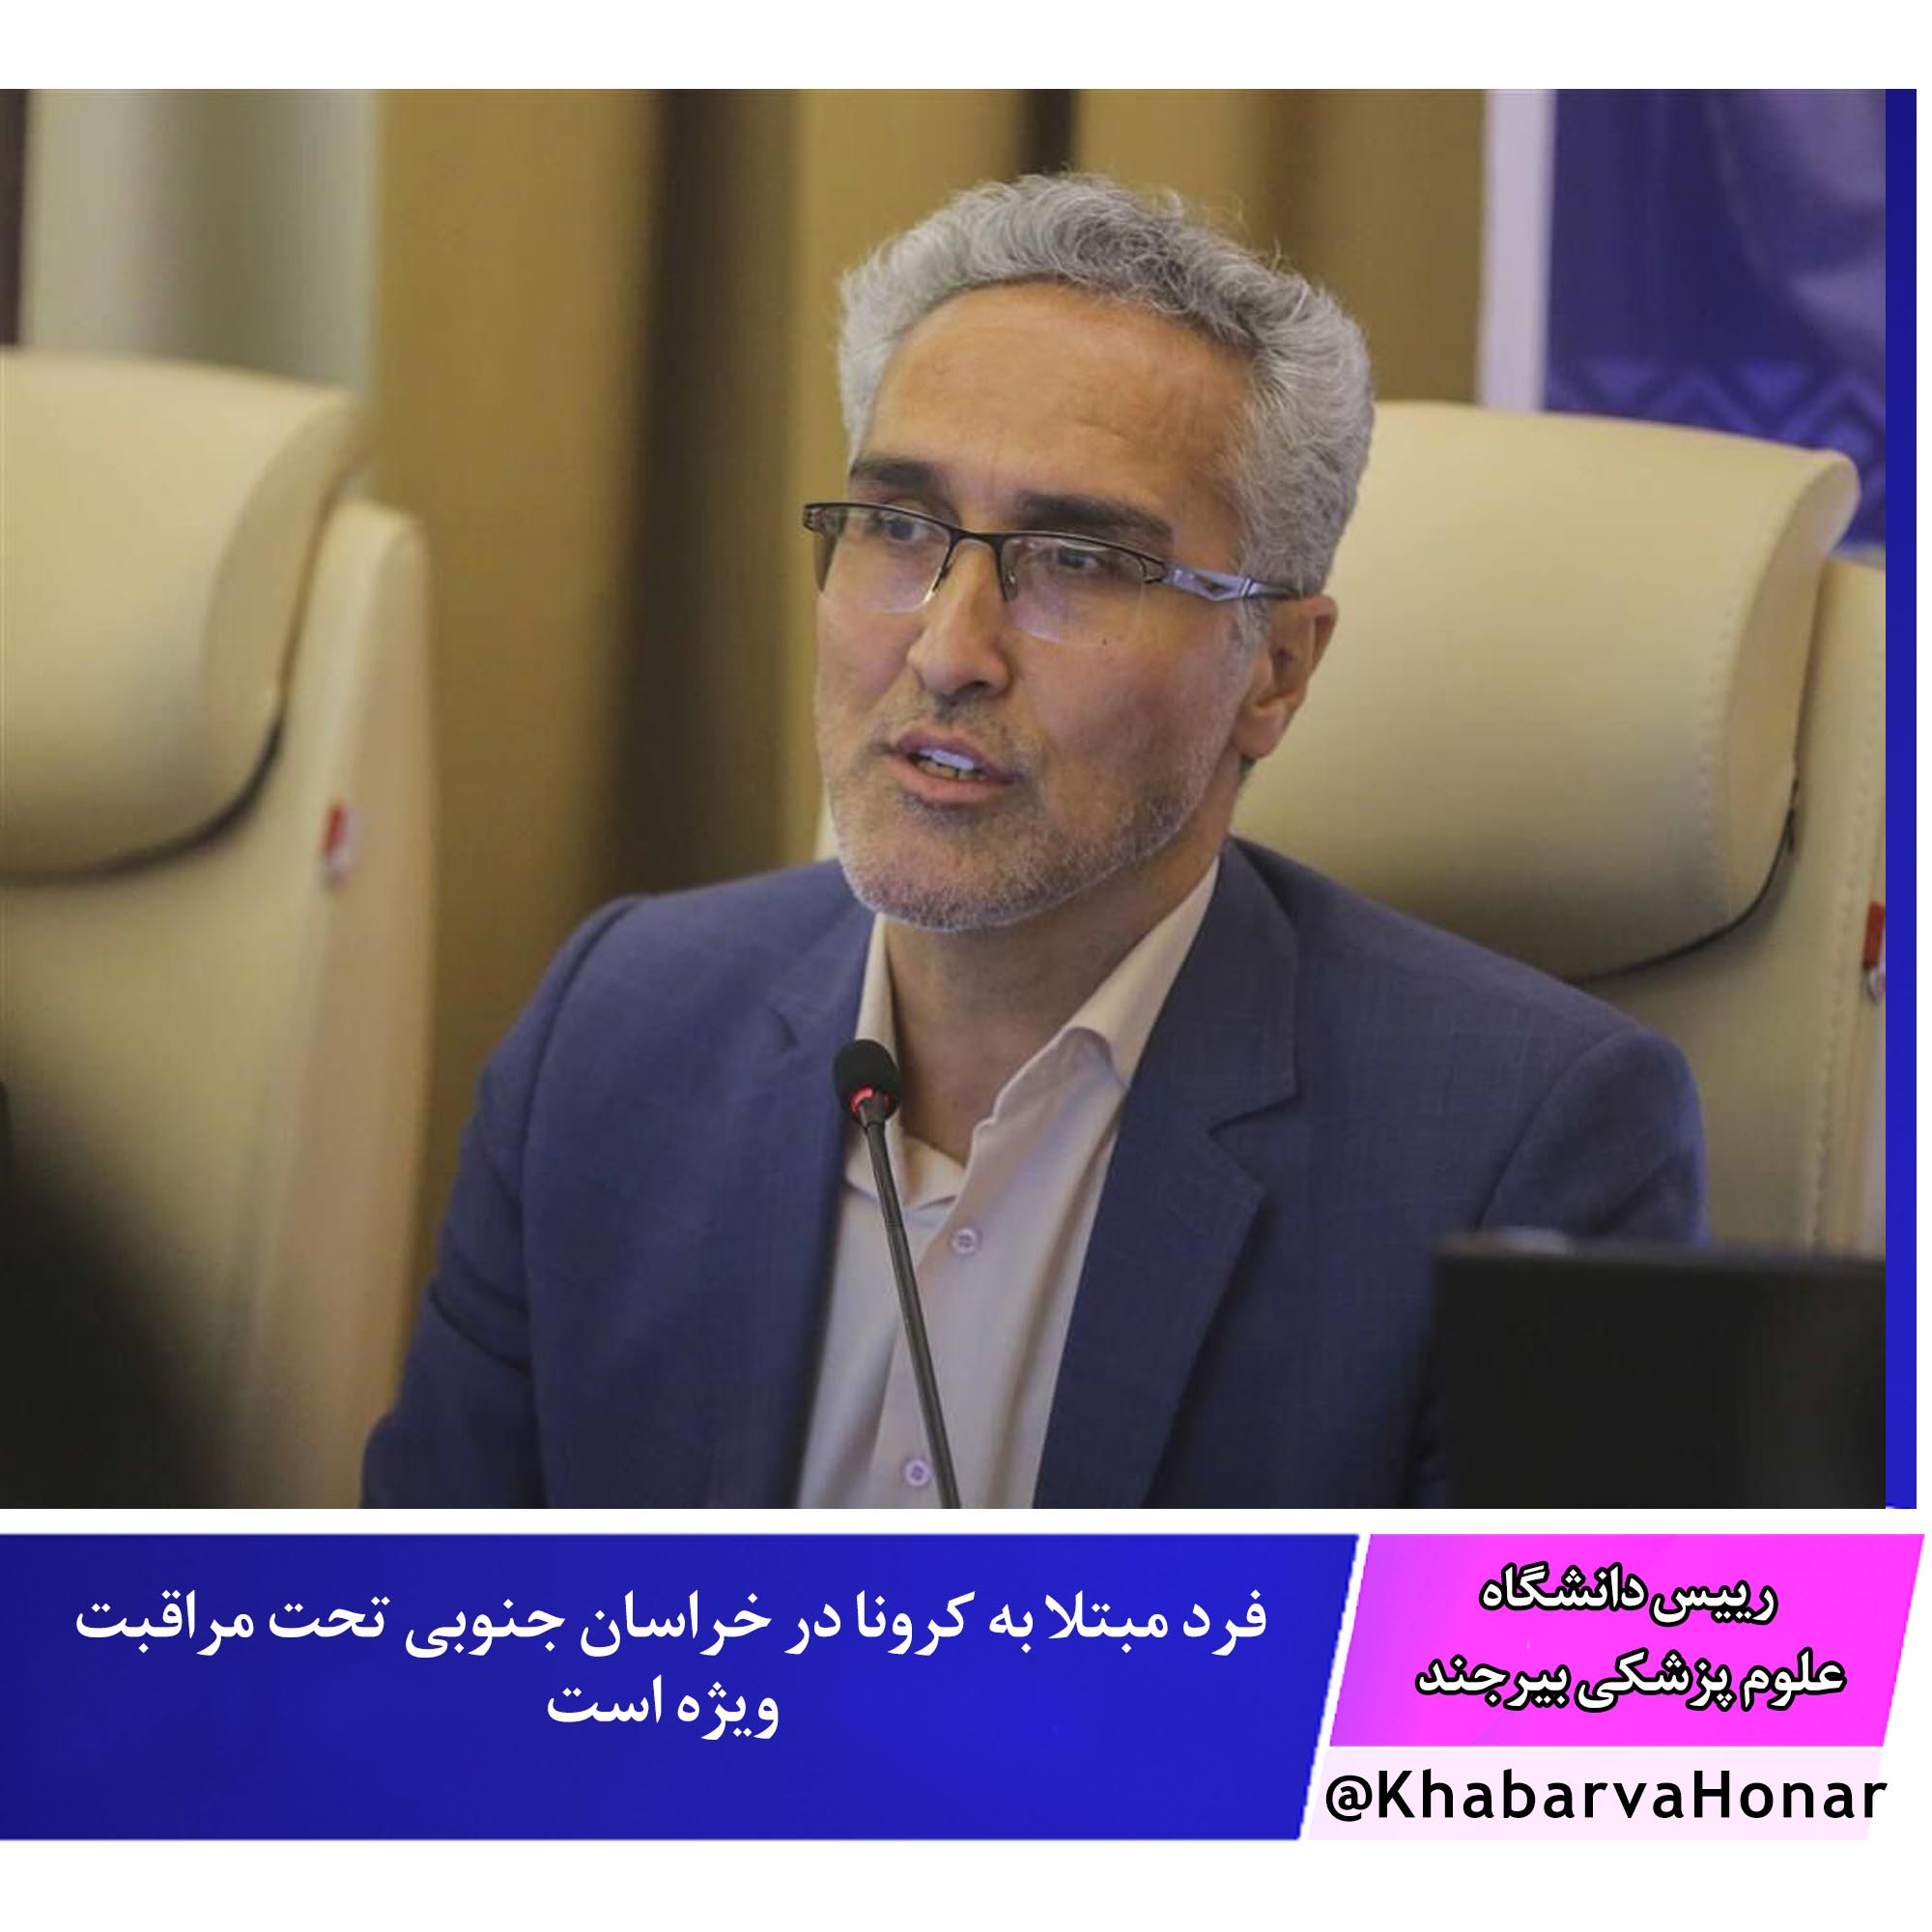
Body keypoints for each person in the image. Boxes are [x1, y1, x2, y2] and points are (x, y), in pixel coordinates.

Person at [364, 174, 1705, 1509]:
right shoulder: (613, 1029)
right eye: (900, 530)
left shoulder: (1523, 1148)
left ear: (1276, 671)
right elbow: (424, 1612)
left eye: (1079, 562)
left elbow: (1569, 1645)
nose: (948, 650)